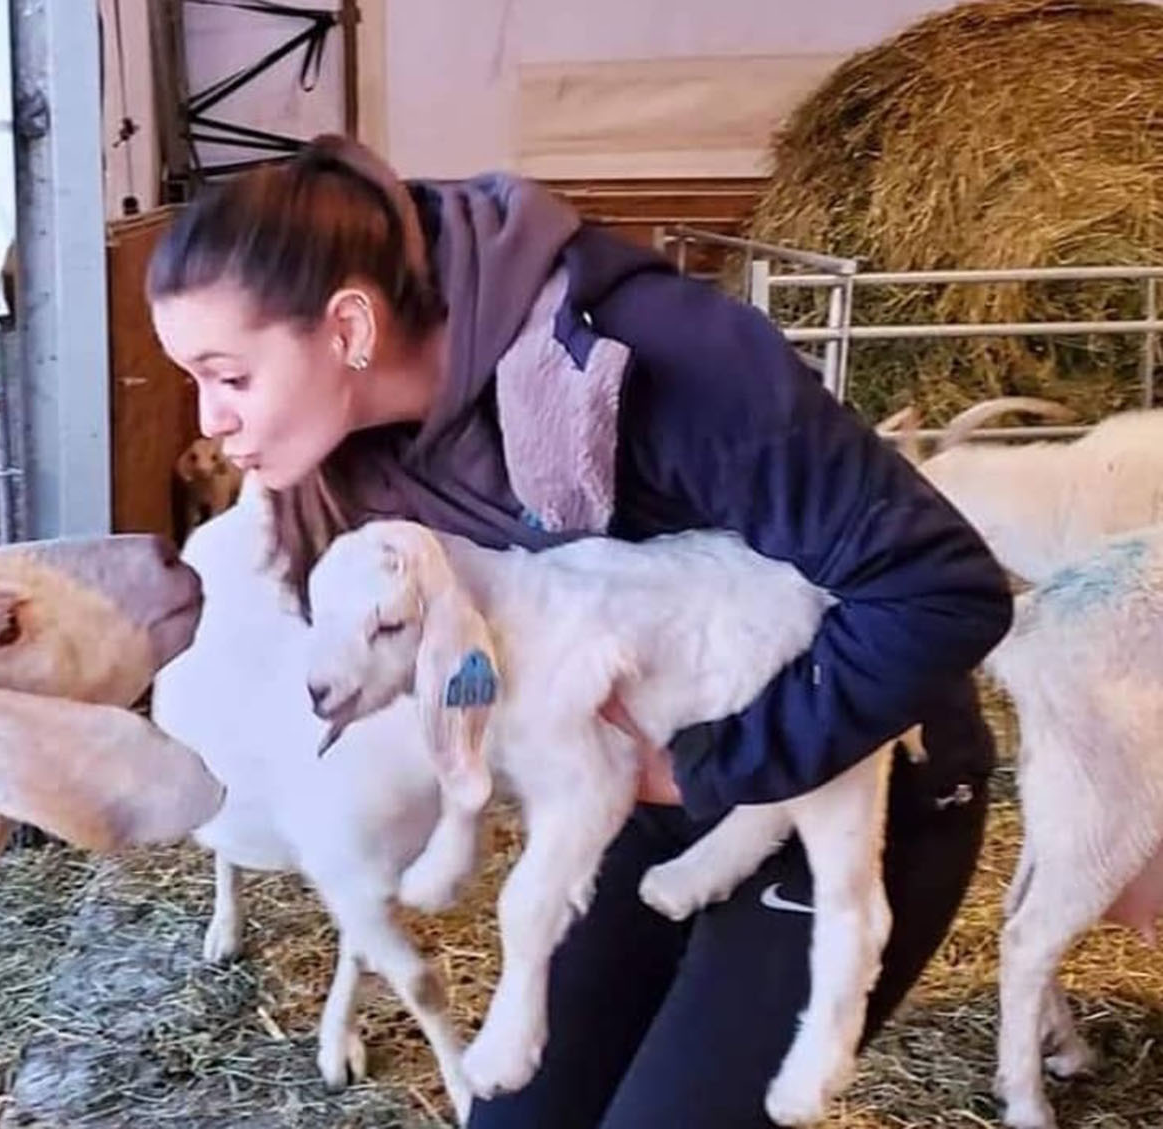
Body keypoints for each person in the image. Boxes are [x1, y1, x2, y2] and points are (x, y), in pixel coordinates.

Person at [145, 133, 1012, 1129]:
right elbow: (465, 654)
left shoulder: (658, 358)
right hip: (639, 777)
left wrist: (708, 767)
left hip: (843, 763)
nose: (211, 421)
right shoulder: (364, 468)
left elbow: (944, 590)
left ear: (347, 325)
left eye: (230, 377)